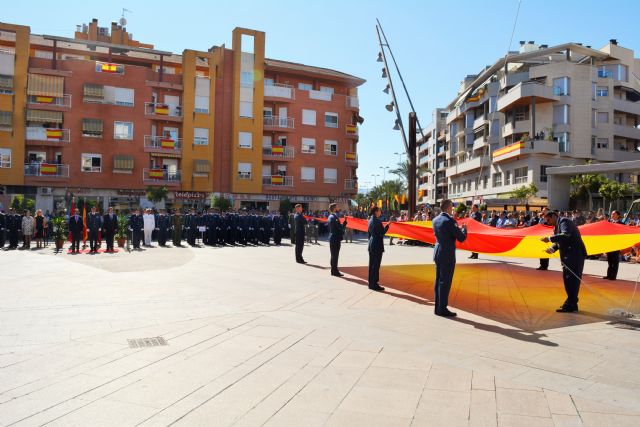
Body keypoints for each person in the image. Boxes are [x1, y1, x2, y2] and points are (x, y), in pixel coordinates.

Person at [541, 210, 587, 313]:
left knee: (572, 280)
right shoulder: (557, 226)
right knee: (568, 280)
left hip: (574, 255)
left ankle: (571, 303)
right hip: (568, 256)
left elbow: (565, 235)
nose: (548, 222)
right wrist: (552, 248)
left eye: (548, 219)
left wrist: (549, 239)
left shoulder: (564, 221)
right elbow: (560, 241)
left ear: (553, 216)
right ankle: (572, 303)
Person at [432, 199, 467, 317]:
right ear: (448, 207)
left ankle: (438, 307)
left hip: (438, 253)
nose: (453, 208)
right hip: (447, 255)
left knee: (438, 281)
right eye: (452, 206)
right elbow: (461, 238)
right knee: (445, 282)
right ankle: (442, 308)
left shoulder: (435, 220)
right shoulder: (449, 221)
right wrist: (464, 229)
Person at [368, 206, 390, 291]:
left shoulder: (370, 220)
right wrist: (387, 226)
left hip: (371, 244)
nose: (380, 212)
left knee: (371, 265)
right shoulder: (378, 221)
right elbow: (382, 233)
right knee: (376, 266)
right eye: (379, 211)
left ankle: (371, 283)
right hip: (377, 245)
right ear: (376, 212)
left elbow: (369, 234)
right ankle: (374, 284)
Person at [328, 203, 347, 277]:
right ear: (334, 208)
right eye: (337, 207)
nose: (338, 208)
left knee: (333, 255)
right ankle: (335, 271)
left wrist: (344, 223)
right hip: (335, 238)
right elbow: (339, 228)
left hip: (333, 238)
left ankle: (333, 270)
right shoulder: (334, 217)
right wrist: (344, 227)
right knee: (335, 256)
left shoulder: (331, 216)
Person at [604, 210, 623, 280]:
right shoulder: (609, 222)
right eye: (612, 214)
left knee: (615, 261)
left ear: (618, 215)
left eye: (614, 214)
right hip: (609, 244)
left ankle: (613, 276)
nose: (612, 215)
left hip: (616, 244)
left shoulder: (621, 223)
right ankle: (609, 275)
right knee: (609, 260)